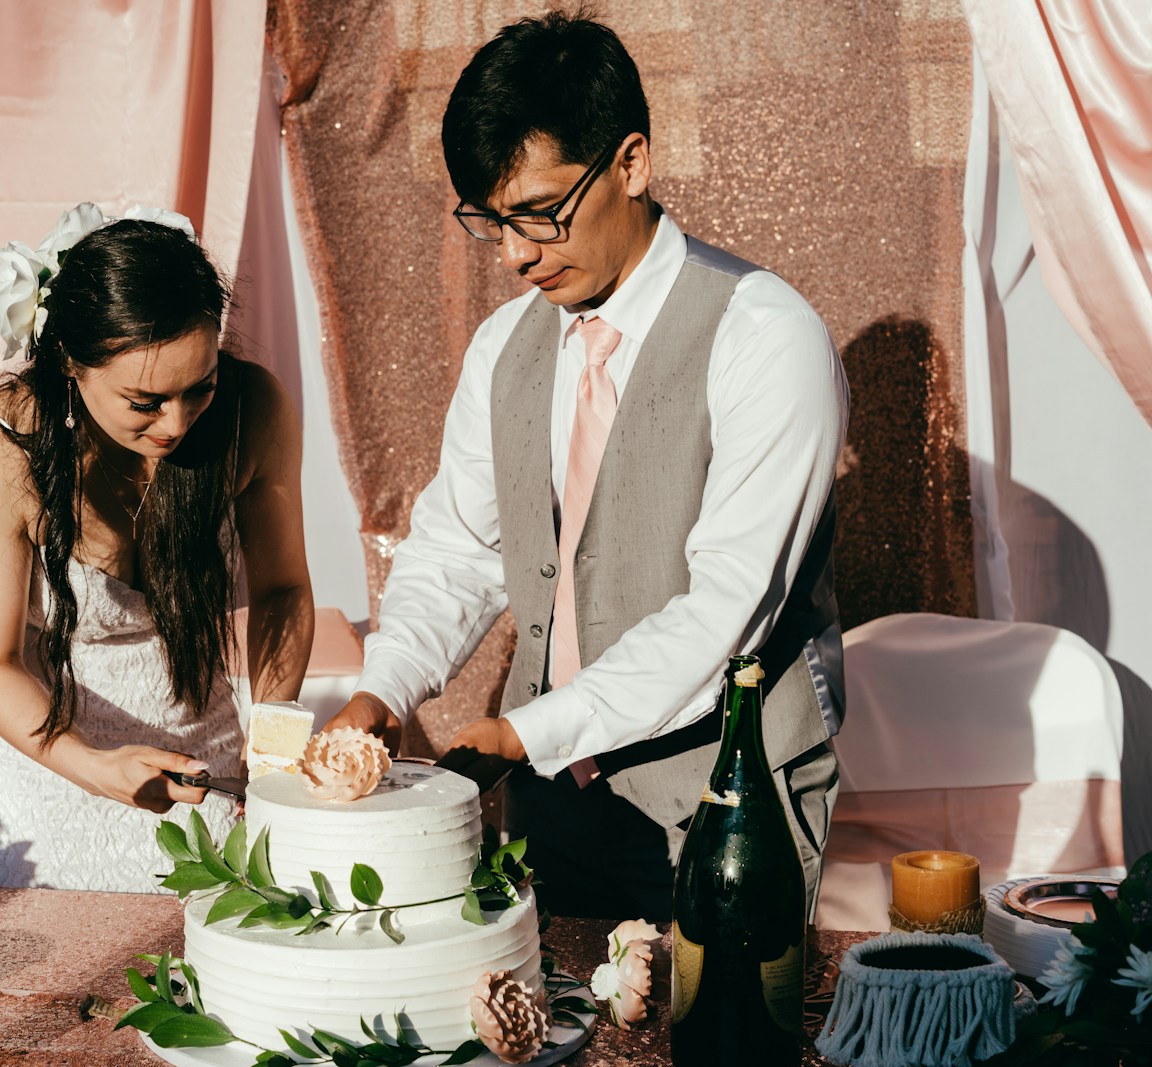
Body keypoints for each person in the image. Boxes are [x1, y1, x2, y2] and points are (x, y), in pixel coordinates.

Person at [325, 13, 847, 923]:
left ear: (632, 164)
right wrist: (385, 686)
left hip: (725, 808)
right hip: (548, 806)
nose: (518, 254)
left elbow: (727, 610)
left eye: (540, 212)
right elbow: (459, 549)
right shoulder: (505, 347)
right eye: (494, 223)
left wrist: (525, 731)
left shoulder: (765, 338)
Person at [0, 203, 314, 892]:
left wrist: (274, 741)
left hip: (187, 720)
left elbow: (283, 589)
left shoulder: (250, 412)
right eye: (144, 401)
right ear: (69, 362)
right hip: (35, 739)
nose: (176, 422)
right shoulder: (0, 455)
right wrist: (94, 764)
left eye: (198, 388)